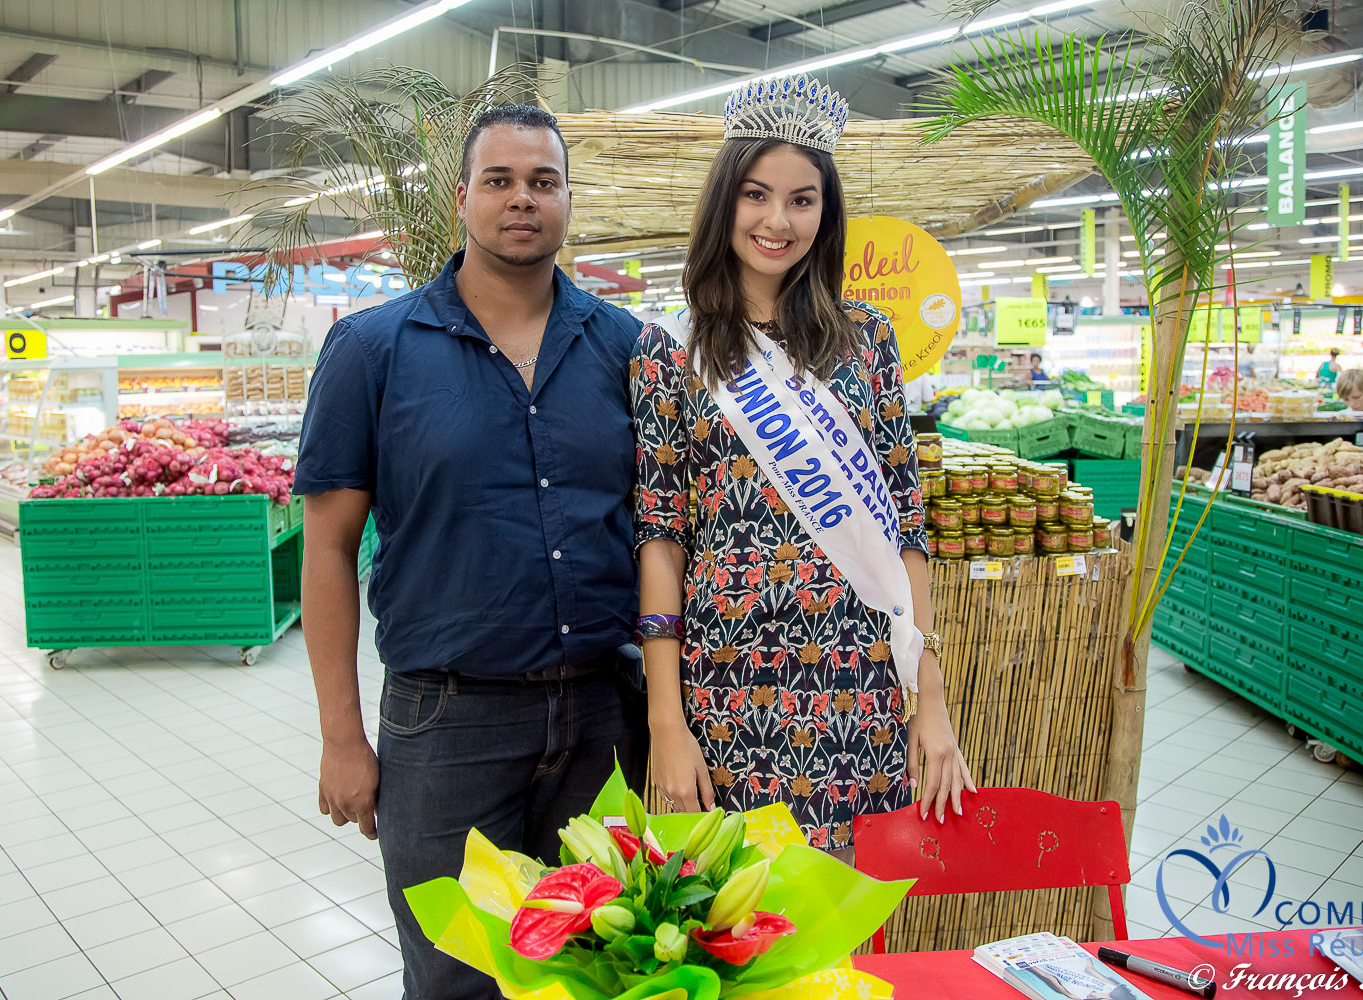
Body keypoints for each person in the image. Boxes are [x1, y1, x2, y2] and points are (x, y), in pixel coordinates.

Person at [294, 104, 646, 1000]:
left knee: (608, 967)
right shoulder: (372, 351)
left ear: (568, 199)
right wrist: (340, 735)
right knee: (459, 977)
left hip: (605, 718)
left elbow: (667, 532)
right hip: (447, 726)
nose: (521, 199)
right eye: (500, 180)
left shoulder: (630, 350)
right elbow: (328, 551)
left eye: (543, 181)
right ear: (462, 198)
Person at [631, 74, 975, 860]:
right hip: (725, 683)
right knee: (736, 930)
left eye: (802, 200)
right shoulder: (667, 350)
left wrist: (931, 702)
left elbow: (906, 528)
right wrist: (665, 721)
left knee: (845, 926)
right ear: (725, 202)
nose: (777, 221)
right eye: (756, 194)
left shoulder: (869, 339)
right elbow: (660, 537)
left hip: (857, 678)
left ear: (828, 212)